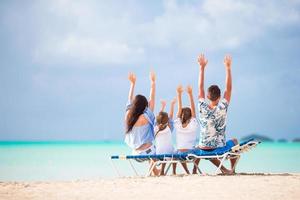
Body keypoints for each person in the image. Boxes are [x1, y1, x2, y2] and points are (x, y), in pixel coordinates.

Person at [197, 53, 238, 174]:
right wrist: (228, 68)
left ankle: (224, 170)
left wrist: (202, 68)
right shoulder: (222, 107)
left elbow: (200, 88)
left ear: (207, 96)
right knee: (235, 141)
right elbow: (228, 89)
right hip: (217, 147)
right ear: (219, 97)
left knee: (208, 151)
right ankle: (232, 170)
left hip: (203, 145)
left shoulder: (202, 106)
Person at [124, 72, 159, 175]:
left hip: (135, 153)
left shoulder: (128, 115)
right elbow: (152, 99)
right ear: (144, 106)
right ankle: (155, 171)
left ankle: (155, 171)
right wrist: (153, 83)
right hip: (147, 153)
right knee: (153, 148)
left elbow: (129, 100)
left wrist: (132, 84)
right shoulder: (145, 116)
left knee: (148, 147)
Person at [173, 85, 199, 174]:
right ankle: (194, 170)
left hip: (180, 154)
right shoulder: (193, 124)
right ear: (191, 115)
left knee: (176, 151)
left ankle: (176, 171)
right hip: (191, 153)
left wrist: (179, 94)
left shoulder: (177, 125)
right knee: (199, 147)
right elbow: (194, 109)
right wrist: (190, 94)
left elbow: (179, 110)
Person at [154, 99, 176, 175]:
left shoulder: (155, 128)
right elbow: (171, 116)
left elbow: (158, 119)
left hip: (158, 154)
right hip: (170, 155)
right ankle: (173, 171)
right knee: (173, 151)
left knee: (162, 151)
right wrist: (172, 105)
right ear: (167, 121)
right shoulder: (169, 127)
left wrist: (162, 107)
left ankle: (160, 171)